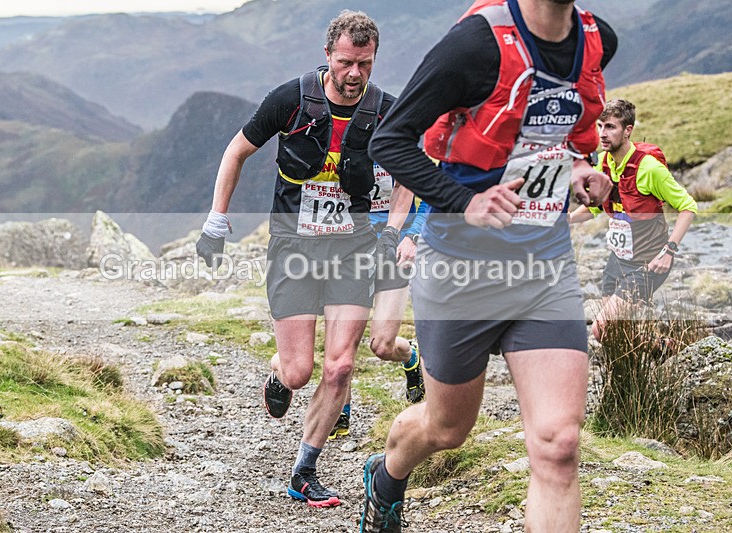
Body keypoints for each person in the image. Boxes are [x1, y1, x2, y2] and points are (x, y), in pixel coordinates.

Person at [359, 0, 617, 531]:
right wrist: (465, 202)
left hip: (544, 268)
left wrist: (582, 168)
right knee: (447, 427)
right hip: (459, 270)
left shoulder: (596, 39)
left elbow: (561, 134)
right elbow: (390, 141)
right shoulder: (475, 45)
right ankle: (386, 475)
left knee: (558, 444)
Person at [195, 10, 395, 508]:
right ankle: (279, 372)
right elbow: (235, 151)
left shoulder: (386, 110)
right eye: (346, 62)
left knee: (341, 366)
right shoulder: (291, 99)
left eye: (364, 64)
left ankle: (303, 471)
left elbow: (408, 169)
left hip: (352, 248)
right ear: (327, 55)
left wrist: (393, 231)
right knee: (299, 371)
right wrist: (216, 220)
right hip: (294, 249)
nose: (355, 74)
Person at [569, 99, 697, 343]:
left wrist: (669, 251)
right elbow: (597, 208)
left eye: (610, 127)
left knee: (600, 329)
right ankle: (668, 347)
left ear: (628, 130)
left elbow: (688, 207)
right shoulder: (604, 163)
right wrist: (569, 220)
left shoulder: (649, 168)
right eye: (600, 126)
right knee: (618, 333)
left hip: (648, 263)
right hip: (618, 260)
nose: (602, 134)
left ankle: (669, 351)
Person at [329, 179, 430, 440]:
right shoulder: (344, 143)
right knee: (341, 342)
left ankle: (410, 355)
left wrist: (414, 236)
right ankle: (340, 411)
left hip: (395, 249)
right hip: (351, 247)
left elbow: (432, 193)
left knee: (382, 346)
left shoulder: (403, 142)